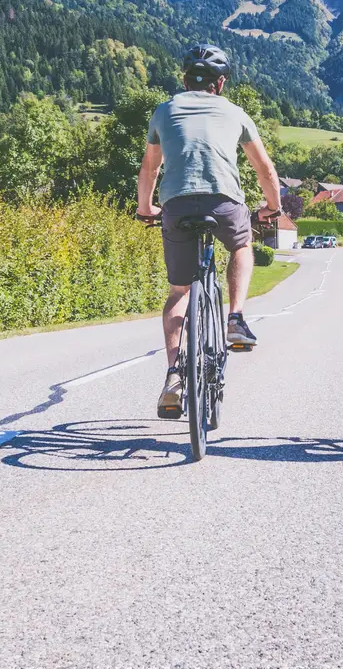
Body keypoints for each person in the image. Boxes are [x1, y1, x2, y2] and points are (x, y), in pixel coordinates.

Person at [136, 44, 282, 419]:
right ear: (220, 83)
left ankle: (173, 378)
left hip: (176, 203)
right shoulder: (235, 113)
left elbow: (150, 169)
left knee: (178, 293)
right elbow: (265, 169)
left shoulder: (164, 110)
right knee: (242, 245)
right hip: (224, 201)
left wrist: (145, 208)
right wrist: (273, 207)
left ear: (184, 80)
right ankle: (234, 318)